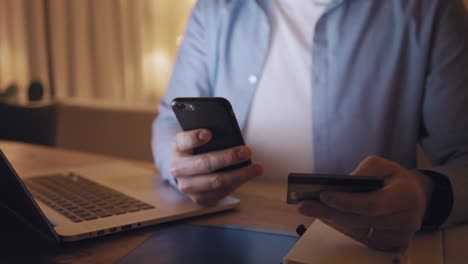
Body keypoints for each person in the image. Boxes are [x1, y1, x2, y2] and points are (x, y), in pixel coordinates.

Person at [152, 0, 468, 252]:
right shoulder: (213, 8)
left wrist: (425, 195)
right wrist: (179, 166)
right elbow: (168, 122)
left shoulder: (432, 10)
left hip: (355, 248)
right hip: (221, 232)